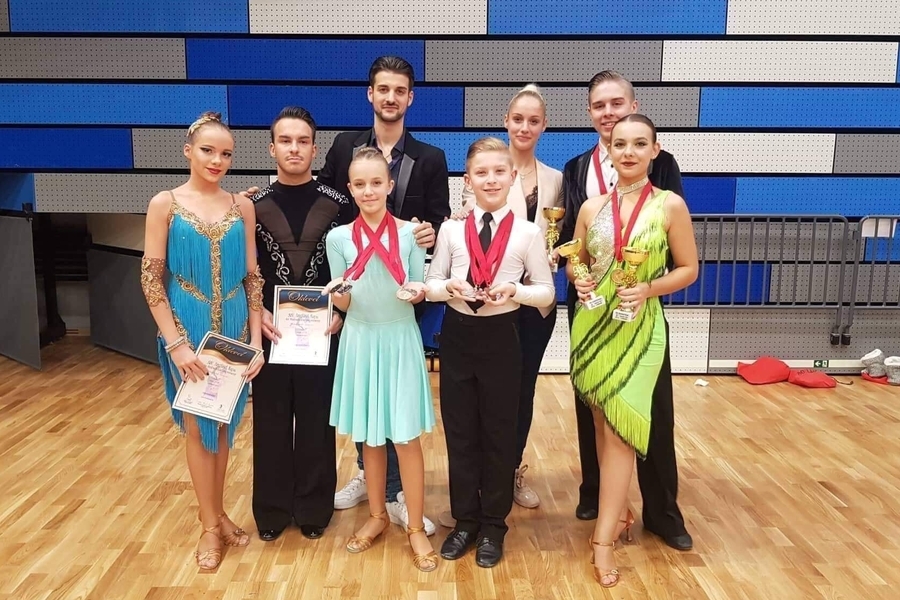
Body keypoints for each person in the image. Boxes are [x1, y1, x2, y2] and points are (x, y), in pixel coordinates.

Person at [558, 70, 694, 551]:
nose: (608, 112)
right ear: (591, 115)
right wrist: (577, 275)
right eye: (600, 105)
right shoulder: (577, 170)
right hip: (592, 312)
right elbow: (574, 248)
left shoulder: (666, 181)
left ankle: (662, 511)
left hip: (641, 313)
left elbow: (682, 258)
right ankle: (606, 504)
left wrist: (648, 288)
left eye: (617, 103)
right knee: (596, 416)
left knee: (646, 415)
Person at [319, 55, 448, 535]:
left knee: (402, 424)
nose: (390, 97)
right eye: (382, 89)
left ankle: (400, 500)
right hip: (359, 303)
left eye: (399, 90)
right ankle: (372, 488)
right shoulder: (344, 146)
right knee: (368, 420)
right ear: (370, 93)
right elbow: (323, 200)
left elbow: (438, 219)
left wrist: (429, 237)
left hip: (398, 306)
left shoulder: (430, 157)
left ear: (409, 97)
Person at [140, 111, 264, 570]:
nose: (217, 160)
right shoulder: (165, 204)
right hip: (187, 329)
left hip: (233, 329)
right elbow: (151, 279)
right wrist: (176, 343)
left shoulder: (242, 207)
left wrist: (256, 341)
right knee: (197, 425)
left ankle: (217, 512)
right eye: (208, 150)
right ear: (188, 150)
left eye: (226, 153)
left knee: (224, 424)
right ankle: (210, 526)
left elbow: (252, 278)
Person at [425, 137, 555, 568]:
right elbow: (432, 283)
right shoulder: (451, 230)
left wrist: (515, 290)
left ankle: (494, 525)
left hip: (503, 334)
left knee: (499, 433)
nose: (491, 179)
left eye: (499, 171)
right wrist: (449, 287)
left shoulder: (528, 232)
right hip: (459, 334)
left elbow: (547, 292)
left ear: (512, 176)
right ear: (468, 180)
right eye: (481, 173)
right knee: (460, 431)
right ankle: (465, 520)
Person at [440, 84, 562, 528]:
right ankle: (469, 507)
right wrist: (450, 282)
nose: (525, 126)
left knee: (511, 405)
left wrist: (530, 279)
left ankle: (505, 486)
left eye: (534, 120)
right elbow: (458, 242)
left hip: (522, 311)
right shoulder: (473, 194)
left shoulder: (554, 183)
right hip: (471, 315)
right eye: (518, 118)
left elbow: (556, 249)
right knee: (465, 417)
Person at [325, 146, 437, 572]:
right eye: (360, 184)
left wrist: (416, 291)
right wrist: (339, 295)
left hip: (399, 338)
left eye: (376, 182)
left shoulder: (410, 234)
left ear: (390, 185)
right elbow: (345, 302)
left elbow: (418, 288)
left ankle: (414, 527)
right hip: (359, 340)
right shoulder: (338, 239)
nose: (368, 190)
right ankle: (376, 516)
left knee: (405, 438)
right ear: (349, 188)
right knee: (370, 438)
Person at [249, 106, 352, 543]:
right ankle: (271, 509)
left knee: (316, 420)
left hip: (321, 332)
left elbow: (355, 265)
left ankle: (313, 507)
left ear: (314, 148)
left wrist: (343, 311)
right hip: (269, 330)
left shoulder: (341, 204)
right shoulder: (250, 206)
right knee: (270, 420)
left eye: (303, 141)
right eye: (285, 141)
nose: (294, 148)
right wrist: (258, 311)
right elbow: (244, 270)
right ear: (271, 148)